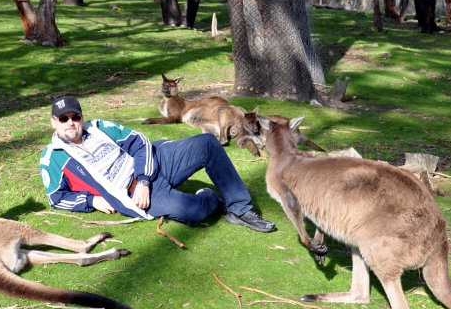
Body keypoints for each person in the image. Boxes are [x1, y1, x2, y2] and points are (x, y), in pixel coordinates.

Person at [39, 96, 276, 233]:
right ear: (53, 123)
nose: (70, 123)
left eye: (75, 117)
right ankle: (211, 198)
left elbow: (140, 142)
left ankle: (240, 208)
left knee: (207, 142)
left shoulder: (98, 127)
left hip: (155, 162)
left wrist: (144, 179)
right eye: (63, 119)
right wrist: (93, 201)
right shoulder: (53, 159)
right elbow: (57, 198)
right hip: (133, 194)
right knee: (194, 211)